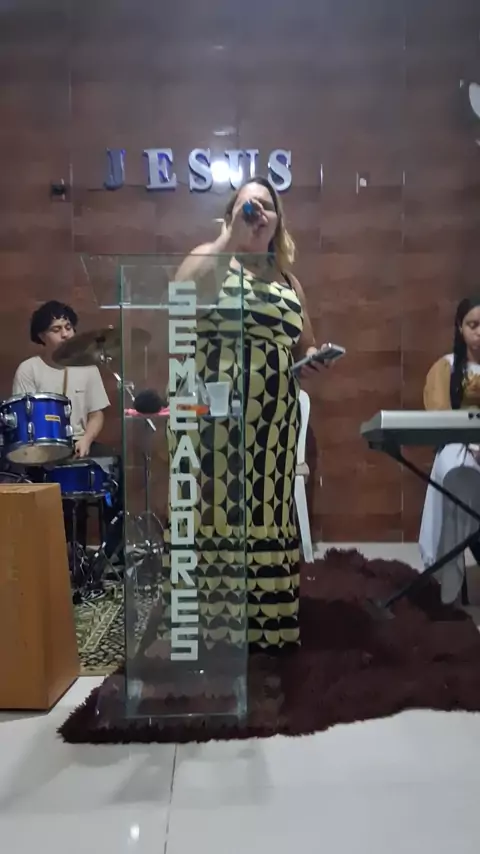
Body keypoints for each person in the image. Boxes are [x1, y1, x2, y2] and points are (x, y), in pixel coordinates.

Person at [167, 176, 319, 651]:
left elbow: (305, 342)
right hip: (213, 421)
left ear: (278, 221)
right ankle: (211, 632)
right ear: (232, 213)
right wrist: (228, 238)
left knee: (267, 514)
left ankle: (267, 628)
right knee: (217, 512)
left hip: (275, 425)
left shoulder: (289, 281)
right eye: (247, 205)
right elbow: (180, 297)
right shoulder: (213, 259)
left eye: (266, 205)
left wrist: (314, 358)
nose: (258, 212)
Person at [419, 295, 480, 604]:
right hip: (457, 445)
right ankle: (449, 575)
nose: (479, 332)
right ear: (460, 327)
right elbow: (440, 416)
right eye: (473, 325)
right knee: (460, 474)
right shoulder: (446, 367)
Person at [13, 301, 109, 457]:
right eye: (56, 330)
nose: (65, 334)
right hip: (41, 445)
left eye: (68, 327)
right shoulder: (28, 369)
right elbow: (23, 419)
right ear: (42, 336)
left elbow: (96, 415)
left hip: (78, 442)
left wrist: (86, 439)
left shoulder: (88, 367)